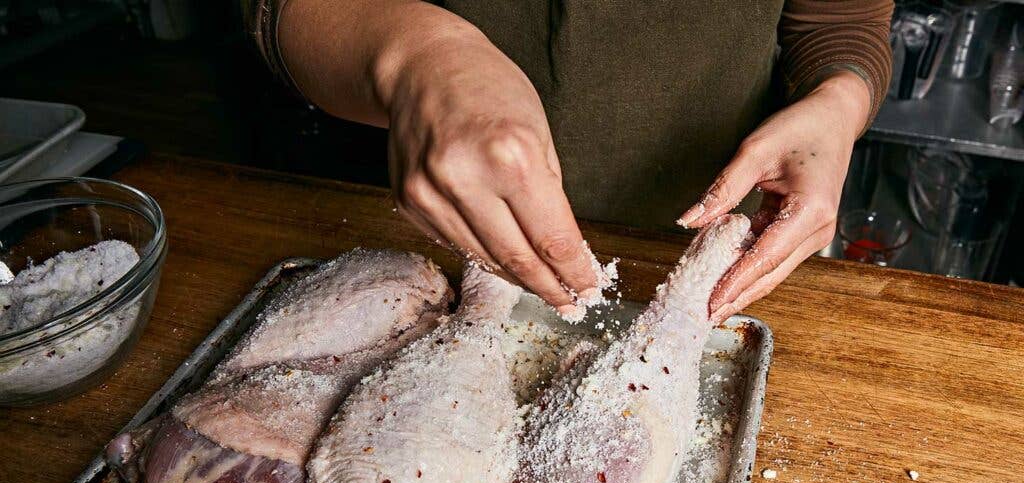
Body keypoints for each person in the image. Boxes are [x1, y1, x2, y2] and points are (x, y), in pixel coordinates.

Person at [243, 0, 892, 319]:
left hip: (698, 250)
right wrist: (412, 56)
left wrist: (838, 102)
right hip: (407, 227)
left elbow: (838, 22)